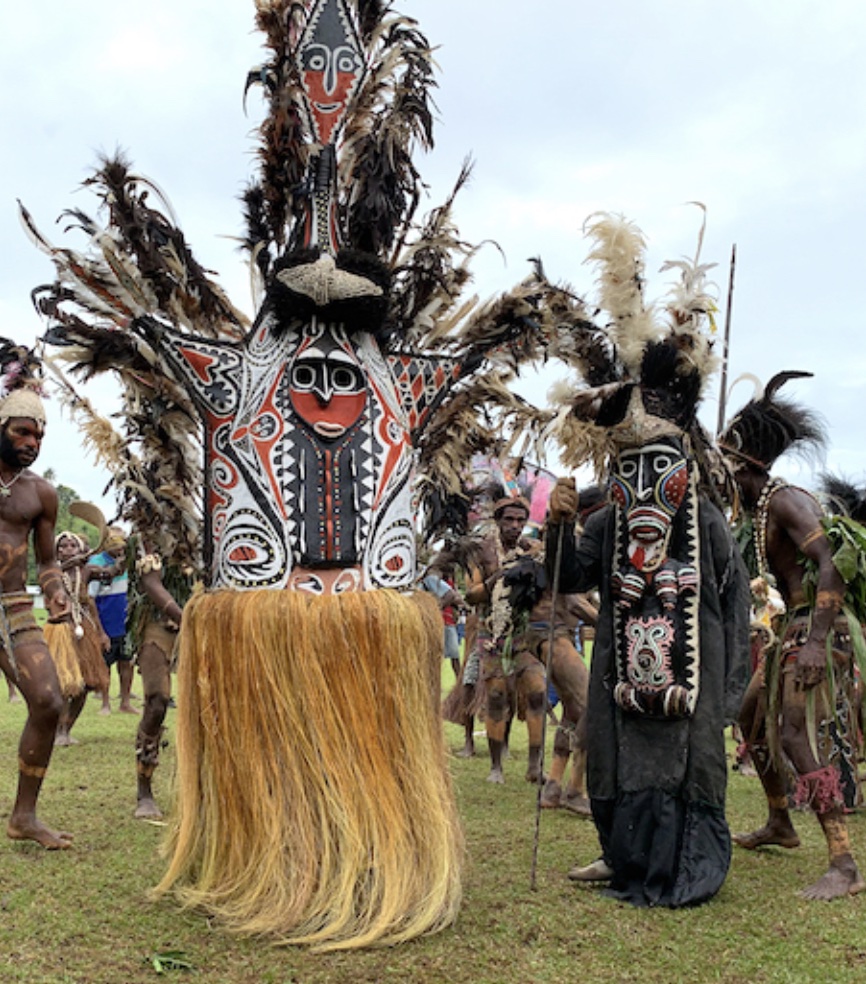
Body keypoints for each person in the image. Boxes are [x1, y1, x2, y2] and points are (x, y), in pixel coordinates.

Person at [719, 372, 865, 899]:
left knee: (794, 736)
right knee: (749, 717)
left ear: (742, 461)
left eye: (724, 460)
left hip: (815, 629)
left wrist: (816, 640)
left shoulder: (785, 501)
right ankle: (781, 822)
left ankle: (844, 863)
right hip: (792, 629)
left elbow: (832, 562)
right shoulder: (761, 509)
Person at [0, 364, 74, 849]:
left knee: (49, 702)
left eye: (39, 435)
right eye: (22, 431)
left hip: (12, 607)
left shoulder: (41, 493)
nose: (32, 441)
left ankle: (24, 816)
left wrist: (56, 592)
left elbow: (47, 562)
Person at [462, 496, 548, 784]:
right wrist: (500, 576)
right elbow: (470, 594)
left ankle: (535, 766)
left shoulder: (531, 551)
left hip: (525, 632)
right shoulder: (482, 552)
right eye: (508, 520)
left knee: (537, 692)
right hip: (491, 632)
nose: (514, 526)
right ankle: (496, 767)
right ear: (497, 520)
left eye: (520, 521)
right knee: (497, 696)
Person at [126, 543, 189, 820]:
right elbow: (151, 582)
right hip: (157, 622)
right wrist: (185, 617)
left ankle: (203, 788)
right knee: (157, 701)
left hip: (197, 618)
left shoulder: (202, 527)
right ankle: (145, 790)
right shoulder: (144, 534)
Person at [47, 531, 111, 744]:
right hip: (60, 631)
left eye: (72, 546)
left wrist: (101, 633)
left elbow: (110, 573)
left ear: (81, 548)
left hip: (85, 631)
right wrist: (70, 563)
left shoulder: (87, 571)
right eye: (62, 546)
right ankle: (56, 731)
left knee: (85, 685)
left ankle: (66, 729)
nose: (67, 550)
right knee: (64, 685)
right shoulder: (51, 573)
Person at [90, 527, 136, 714]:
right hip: (106, 624)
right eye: (115, 543)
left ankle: (125, 702)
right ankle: (105, 703)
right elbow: (90, 599)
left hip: (126, 622)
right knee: (105, 665)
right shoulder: (96, 564)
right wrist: (100, 631)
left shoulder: (129, 563)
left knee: (127, 663)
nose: (119, 549)